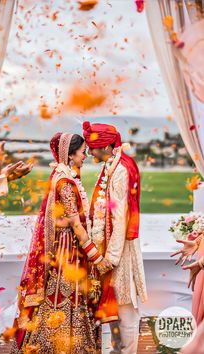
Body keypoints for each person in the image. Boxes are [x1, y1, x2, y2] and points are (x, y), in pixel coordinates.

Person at [11, 132, 110, 354]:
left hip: (66, 244)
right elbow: (75, 224)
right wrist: (96, 256)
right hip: (67, 247)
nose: (85, 156)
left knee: (63, 293)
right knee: (65, 293)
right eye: (82, 152)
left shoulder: (63, 175)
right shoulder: (65, 181)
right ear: (70, 153)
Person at [83, 121, 147, 354]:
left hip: (120, 249)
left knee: (125, 304)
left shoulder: (120, 169)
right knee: (114, 302)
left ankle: (126, 351)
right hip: (113, 244)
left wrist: (110, 257)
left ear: (107, 147)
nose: (90, 152)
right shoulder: (116, 163)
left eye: (93, 148)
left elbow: (120, 215)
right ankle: (117, 350)